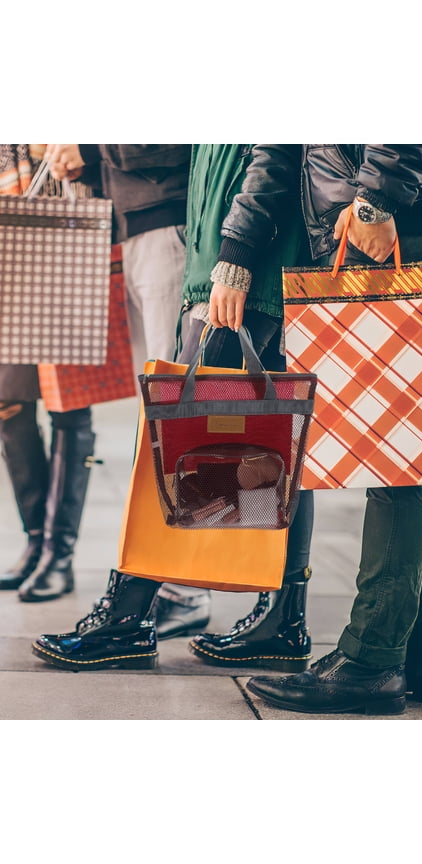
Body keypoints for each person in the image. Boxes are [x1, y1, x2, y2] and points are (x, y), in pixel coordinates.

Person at [31, 145, 316, 672]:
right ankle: (282, 618)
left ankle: (128, 616)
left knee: (172, 440)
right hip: (225, 267)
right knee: (280, 443)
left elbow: (270, 160)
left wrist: (233, 258)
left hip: (241, 272)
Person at [243, 144, 422, 716]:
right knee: (419, 454)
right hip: (409, 210)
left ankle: (373, 659)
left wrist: (377, 197)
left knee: (400, 456)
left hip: (395, 213)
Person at [45, 143, 211, 633]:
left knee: (174, 408)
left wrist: (90, 147)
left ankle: (185, 586)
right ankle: (174, 581)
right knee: (161, 408)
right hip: (139, 225)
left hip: (166, 225)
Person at [0, 144, 97, 603]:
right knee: (8, 405)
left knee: (69, 404)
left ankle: (59, 555)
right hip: (8, 248)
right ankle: (37, 539)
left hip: (64, 240)